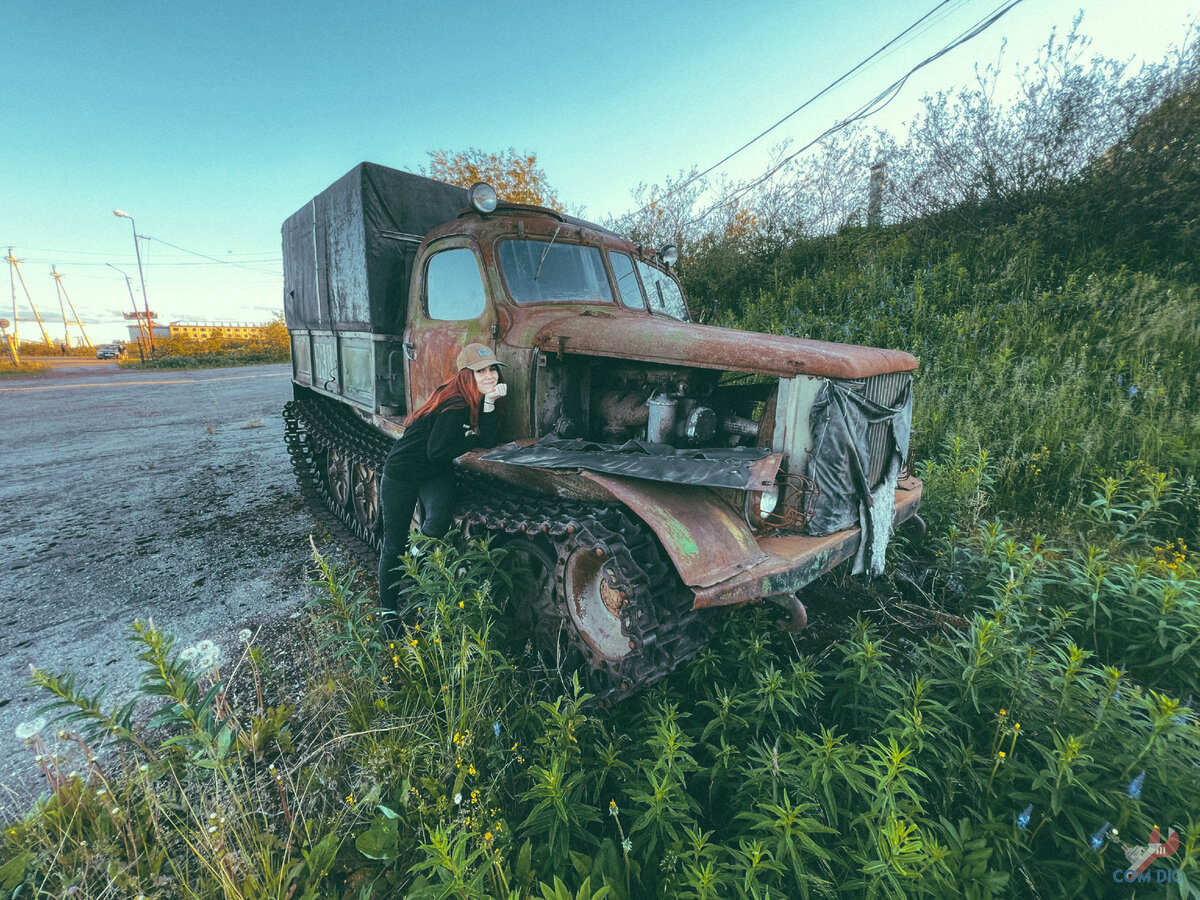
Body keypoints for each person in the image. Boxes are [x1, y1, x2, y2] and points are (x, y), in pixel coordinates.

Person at [377, 341, 507, 631]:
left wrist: (489, 403)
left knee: (437, 520)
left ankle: (417, 562)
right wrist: (471, 437)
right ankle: (388, 614)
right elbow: (437, 450)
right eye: (481, 371)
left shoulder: (472, 400)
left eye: (493, 370)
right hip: (403, 472)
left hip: (433, 472)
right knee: (394, 542)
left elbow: (487, 439)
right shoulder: (455, 404)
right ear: (465, 376)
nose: (490, 376)